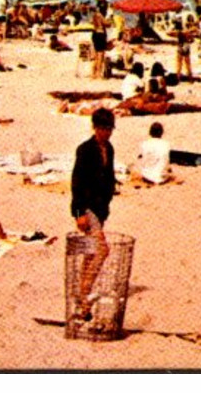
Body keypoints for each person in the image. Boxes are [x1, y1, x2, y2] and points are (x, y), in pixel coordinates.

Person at [69, 107, 117, 319]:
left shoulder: (109, 148)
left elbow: (109, 176)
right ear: (95, 127)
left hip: (100, 207)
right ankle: (84, 295)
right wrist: (79, 212)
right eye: (102, 128)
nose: (106, 132)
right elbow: (77, 182)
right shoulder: (85, 149)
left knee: (90, 254)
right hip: (87, 206)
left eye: (109, 129)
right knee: (101, 250)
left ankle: (82, 295)